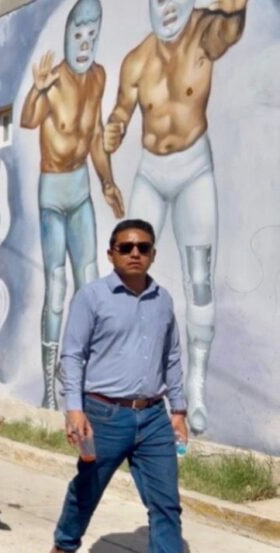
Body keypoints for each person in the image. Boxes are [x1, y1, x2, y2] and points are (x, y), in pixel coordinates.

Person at [104, 0, 247, 433]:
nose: (168, 8)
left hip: (194, 168)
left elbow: (228, 33)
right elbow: (122, 109)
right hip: (151, 172)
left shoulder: (203, 31)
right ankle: (127, 373)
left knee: (198, 278)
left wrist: (236, 12)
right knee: (127, 274)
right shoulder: (136, 60)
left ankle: (196, 385)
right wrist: (115, 127)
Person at [51, 219, 188, 553]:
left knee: (166, 503)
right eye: (126, 247)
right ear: (111, 254)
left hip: (154, 417)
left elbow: (171, 356)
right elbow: (72, 355)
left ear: (153, 254)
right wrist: (74, 410)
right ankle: (64, 546)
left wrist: (179, 410)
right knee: (88, 490)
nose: (135, 253)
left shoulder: (163, 300)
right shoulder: (92, 297)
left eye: (143, 247)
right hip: (104, 415)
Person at [20, 0, 125, 409]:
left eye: (91, 35)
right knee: (57, 284)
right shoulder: (54, 80)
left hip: (81, 187)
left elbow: (95, 134)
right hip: (52, 190)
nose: (84, 43)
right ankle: (49, 386)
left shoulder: (98, 77)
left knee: (90, 282)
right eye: (78, 35)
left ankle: (78, 371)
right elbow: (28, 120)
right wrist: (37, 88)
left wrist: (108, 182)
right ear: (66, 37)